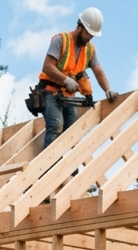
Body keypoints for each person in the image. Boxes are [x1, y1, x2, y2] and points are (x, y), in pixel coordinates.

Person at [38, 8, 119, 148]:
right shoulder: (61, 40)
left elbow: (98, 69)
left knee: (72, 131)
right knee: (56, 125)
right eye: (89, 33)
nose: (90, 37)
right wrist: (65, 80)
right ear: (80, 26)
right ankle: (49, 168)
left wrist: (107, 89)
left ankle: (69, 168)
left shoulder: (89, 49)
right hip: (49, 91)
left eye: (93, 35)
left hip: (68, 96)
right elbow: (47, 67)